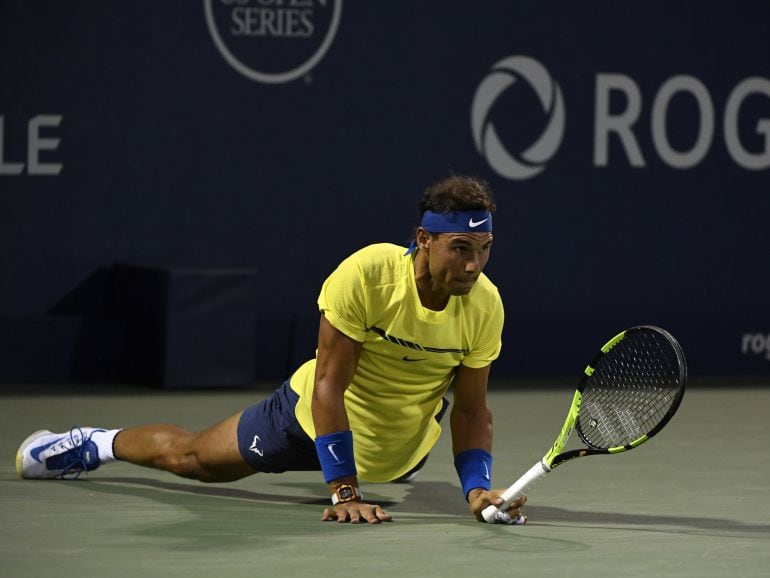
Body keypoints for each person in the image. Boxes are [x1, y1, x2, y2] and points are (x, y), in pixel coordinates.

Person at [16, 174, 527, 525]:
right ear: (424, 239)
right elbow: (330, 384)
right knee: (192, 459)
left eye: (484, 250)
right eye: (461, 248)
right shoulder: (369, 275)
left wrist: (476, 488)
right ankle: (92, 443)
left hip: (394, 456)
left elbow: (471, 408)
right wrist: (344, 491)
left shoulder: (485, 306)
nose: (473, 265)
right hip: (308, 419)